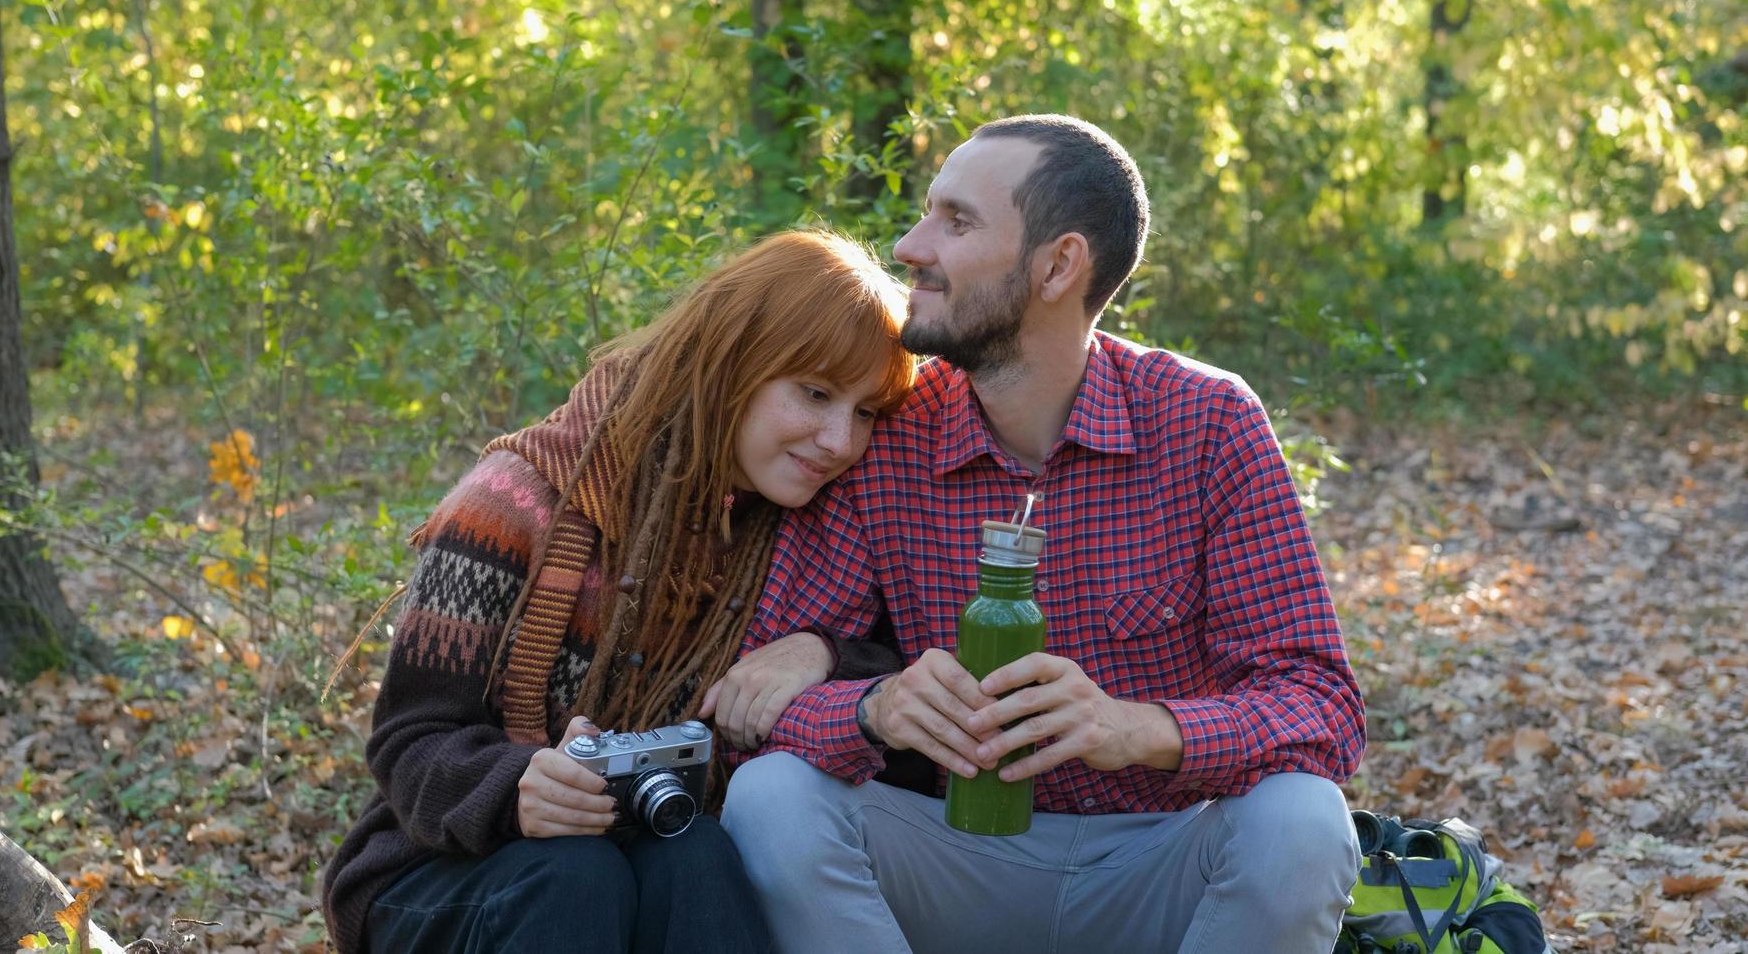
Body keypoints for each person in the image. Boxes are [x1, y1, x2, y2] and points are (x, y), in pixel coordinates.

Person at [719, 115, 1367, 953]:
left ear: (1058, 265)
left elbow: (1321, 705)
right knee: (773, 797)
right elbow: (751, 710)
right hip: (955, 859)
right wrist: (873, 703)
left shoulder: (1205, 422)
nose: (912, 245)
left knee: (1303, 819)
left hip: (1158, 864)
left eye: (955, 222)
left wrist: (1131, 729)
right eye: (927, 213)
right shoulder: (889, 434)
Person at [320, 229, 917, 954]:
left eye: (863, 412)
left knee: (696, 855)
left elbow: (892, 666)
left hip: (640, 849)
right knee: (575, 873)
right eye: (816, 393)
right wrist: (518, 788)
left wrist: (820, 651)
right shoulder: (514, 506)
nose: (838, 440)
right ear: (729, 364)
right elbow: (409, 744)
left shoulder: (791, 533)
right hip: (437, 871)